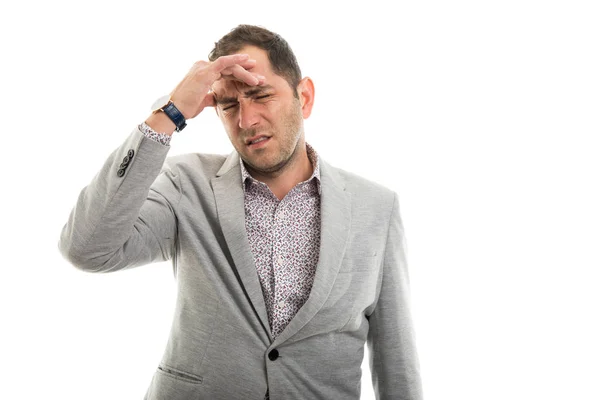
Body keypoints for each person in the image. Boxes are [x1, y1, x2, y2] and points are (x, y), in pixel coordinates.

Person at [58, 24, 422, 400]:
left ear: (305, 97)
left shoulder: (376, 207)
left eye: (261, 95)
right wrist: (169, 113)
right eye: (230, 105)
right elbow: (87, 248)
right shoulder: (187, 184)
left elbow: (395, 358)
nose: (246, 121)